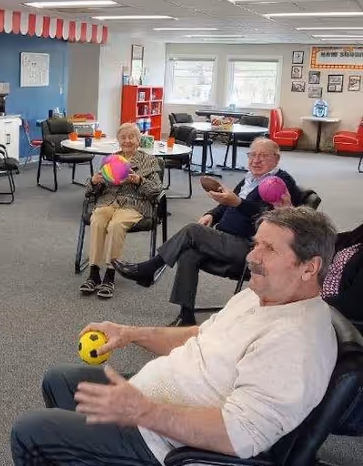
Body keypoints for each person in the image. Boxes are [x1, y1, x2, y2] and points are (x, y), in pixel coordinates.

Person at [0, 207, 339, 466]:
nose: (252, 256)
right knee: (61, 381)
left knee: (31, 435)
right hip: (155, 416)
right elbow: (200, 337)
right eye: (256, 243)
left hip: (186, 458)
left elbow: (239, 436)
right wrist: (130, 333)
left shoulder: (296, 344)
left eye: (269, 249)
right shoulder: (262, 297)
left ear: (310, 267)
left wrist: (143, 411)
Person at [113, 137, 301, 325]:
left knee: (192, 231)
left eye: (263, 156)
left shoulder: (281, 182)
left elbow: (272, 220)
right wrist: (211, 214)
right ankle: (186, 316)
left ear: (276, 159)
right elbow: (227, 204)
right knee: (188, 253)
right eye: (252, 155)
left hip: (250, 247)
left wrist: (239, 203)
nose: (256, 160)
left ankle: (150, 268)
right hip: (225, 240)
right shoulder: (250, 178)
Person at [79, 122, 163, 299]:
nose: (127, 141)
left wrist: (139, 181)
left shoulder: (149, 160)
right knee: (98, 219)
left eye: (131, 137)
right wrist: (94, 182)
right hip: (108, 201)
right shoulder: (111, 159)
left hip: (134, 203)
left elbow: (156, 191)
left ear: (138, 140)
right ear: (118, 140)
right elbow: (90, 190)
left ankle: (110, 274)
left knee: (116, 225)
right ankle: (94, 272)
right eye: (123, 137)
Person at [322, 220, 363, 325]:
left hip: (329, 312)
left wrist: (310, 301)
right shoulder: (358, 236)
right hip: (313, 286)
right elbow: (338, 239)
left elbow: (354, 304)